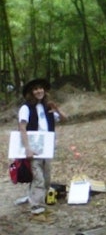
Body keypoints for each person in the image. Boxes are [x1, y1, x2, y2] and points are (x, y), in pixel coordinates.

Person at [15, 78, 67, 215]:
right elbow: (22, 127)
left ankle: (34, 197)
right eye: (35, 89)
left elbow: (63, 119)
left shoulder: (47, 107)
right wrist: (27, 148)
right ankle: (35, 205)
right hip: (33, 146)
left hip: (47, 147)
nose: (39, 91)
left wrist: (57, 110)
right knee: (38, 176)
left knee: (46, 176)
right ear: (31, 92)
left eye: (41, 88)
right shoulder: (26, 108)